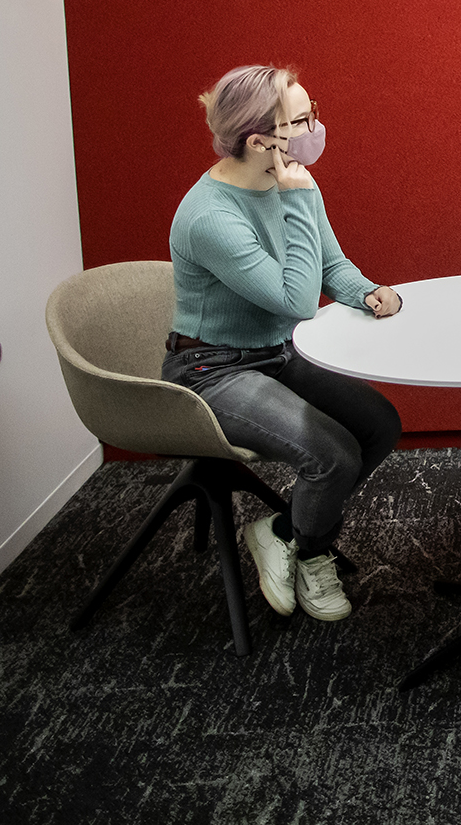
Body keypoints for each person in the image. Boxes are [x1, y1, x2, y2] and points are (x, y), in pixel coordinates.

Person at [162, 64, 403, 623]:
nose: (315, 128)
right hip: (210, 371)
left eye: (311, 112)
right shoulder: (210, 217)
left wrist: (369, 294)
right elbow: (295, 301)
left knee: (380, 424)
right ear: (257, 140)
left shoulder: (290, 179)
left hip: (275, 354)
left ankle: (278, 529)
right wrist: (297, 200)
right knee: (333, 456)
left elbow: (330, 266)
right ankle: (313, 552)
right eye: (302, 120)